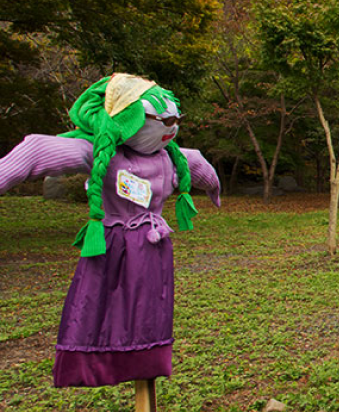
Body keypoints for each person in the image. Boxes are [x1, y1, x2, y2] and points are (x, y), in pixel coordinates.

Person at [0, 74, 221, 389]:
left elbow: (199, 165)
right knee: (98, 307)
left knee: (147, 311)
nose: (172, 127)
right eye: (164, 119)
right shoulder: (100, 151)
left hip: (152, 247)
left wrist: (214, 189)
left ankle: (146, 360)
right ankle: (92, 365)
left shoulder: (172, 157)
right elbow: (38, 151)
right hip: (110, 243)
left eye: (176, 119)